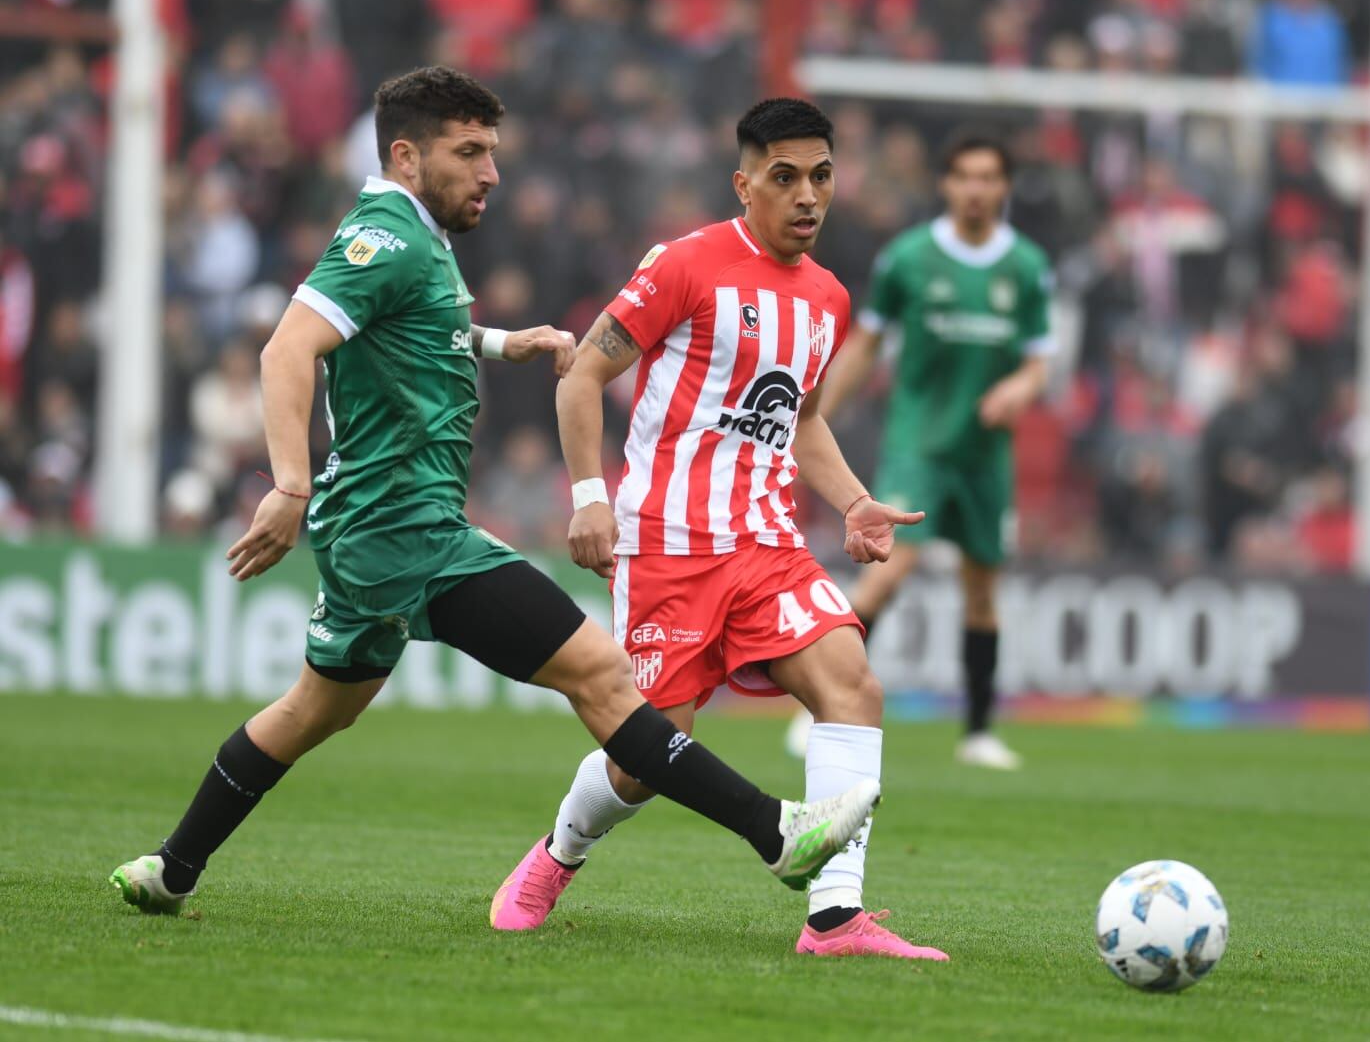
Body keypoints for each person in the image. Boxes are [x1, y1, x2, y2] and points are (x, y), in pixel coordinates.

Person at [110, 67, 877, 916]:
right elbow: (287, 349)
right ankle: (778, 834)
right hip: (410, 533)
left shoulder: (411, 236)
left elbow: (402, 326)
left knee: (310, 712)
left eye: (493, 152)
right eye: (470, 152)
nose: (490, 173)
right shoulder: (387, 237)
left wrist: (501, 341)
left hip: (378, 535)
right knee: (601, 673)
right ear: (406, 157)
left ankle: (171, 867)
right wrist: (289, 483)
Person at [491, 98, 946, 961]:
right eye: (785, 177)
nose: (807, 195)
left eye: (821, 175)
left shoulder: (829, 299)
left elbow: (800, 421)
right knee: (643, 758)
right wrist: (590, 495)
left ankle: (835, 917)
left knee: (852, 683)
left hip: (767, 541)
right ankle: (561, 851)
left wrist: (851, 500)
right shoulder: (684, 265)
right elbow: (582, 375)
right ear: (745, 185)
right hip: (667, 541)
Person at [792, 134, 1056, 771]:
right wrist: (817, 412)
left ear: (1003, 188)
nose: (975, 188)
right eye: (964, 175)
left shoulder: (1025, 266)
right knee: (888, 570)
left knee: (982, 588)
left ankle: (979, 732)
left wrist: (1020, 387)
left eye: (987, 177)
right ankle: (822, 710)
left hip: (984, 455)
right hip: (918, 446)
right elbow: (866, 346)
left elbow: (1040, 360)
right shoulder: (909, 259)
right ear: (946, 184)